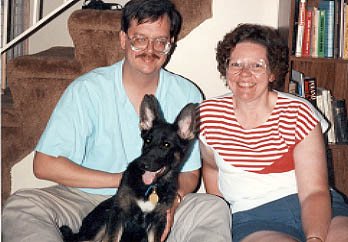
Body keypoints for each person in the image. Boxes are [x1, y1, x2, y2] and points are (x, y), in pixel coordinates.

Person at [2, 1, 232, 241]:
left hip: (158, 198)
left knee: (212, 208)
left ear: (170, 44)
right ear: (123, 39)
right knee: (22, 205)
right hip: (85, 198)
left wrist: (172, 199)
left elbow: (190, 173)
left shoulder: (188, 94)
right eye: (139, 39)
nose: (150, 49)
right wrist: (125, 181)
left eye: (160, 41)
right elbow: (44, 165)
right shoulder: (86, 90)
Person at [199, 23, 348, 242]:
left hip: (317, 206)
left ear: (272, 73)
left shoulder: (298, 112)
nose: (245, 74)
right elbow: (211, 169)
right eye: (236, 64)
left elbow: (314, 192)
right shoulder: (207, 116)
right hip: (253, 218)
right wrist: (220, 220)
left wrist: (315, 239)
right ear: (226, 69)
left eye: (257, 65)